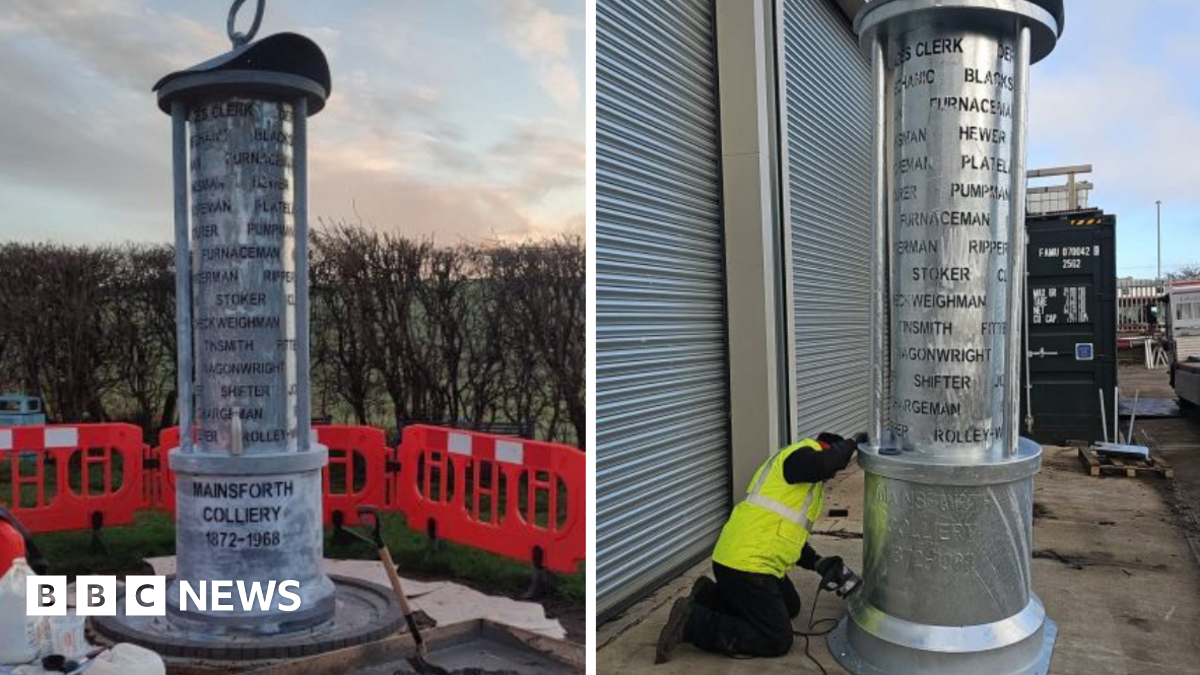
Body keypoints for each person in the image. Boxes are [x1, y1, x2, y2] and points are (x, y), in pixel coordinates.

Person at [655, 431, 865, 662]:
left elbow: (788, 536)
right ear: (825, 447)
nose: (833, 475)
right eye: (835, 470)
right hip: (747, 566)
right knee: (776, 638)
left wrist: (818, 563)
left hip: (742, 559)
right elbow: (825, 463)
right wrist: (854, 442)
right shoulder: (800, 456)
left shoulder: (804, 480)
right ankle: (692, 623)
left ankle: (709, 595)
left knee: (790, 607)